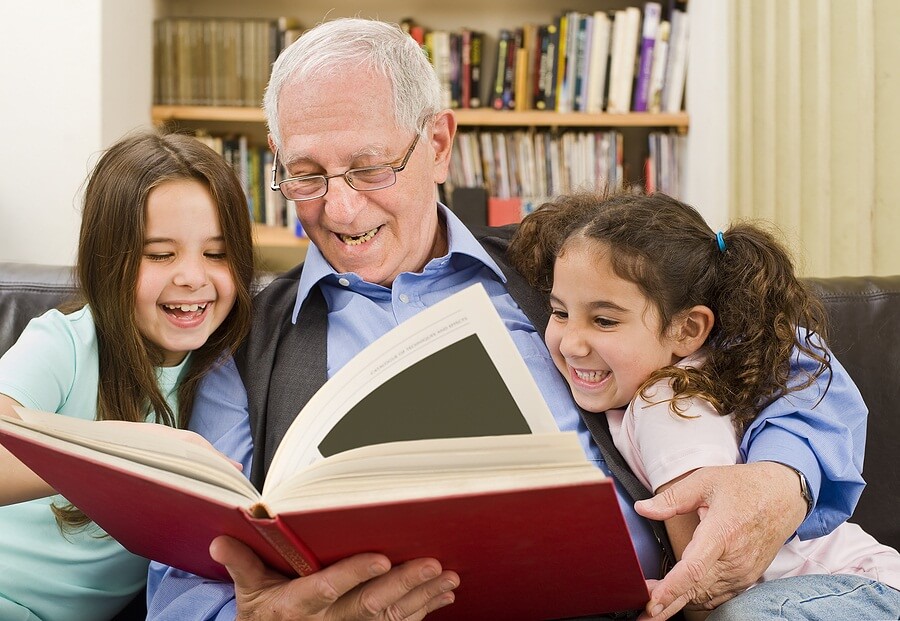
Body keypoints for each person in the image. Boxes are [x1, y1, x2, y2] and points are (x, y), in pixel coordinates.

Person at [146, 18, 869, 621]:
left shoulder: (567, 261)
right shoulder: (241, 346)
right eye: (306, 173)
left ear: (436, 143)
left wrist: (783, 478)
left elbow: (790, 356)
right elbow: (182, 583)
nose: (338, 209)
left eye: (370, 168)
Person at [509, 191, 900, 620]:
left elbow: (707, 578)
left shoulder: (666, 404)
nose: (571, 342)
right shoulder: (686, 370)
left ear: (688, 329)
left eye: (604, 320)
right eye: (559, 312)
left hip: (855, 587)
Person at [0, 131, 255, 621]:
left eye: (216, 253)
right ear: (107, 260)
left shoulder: (233, 373)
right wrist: (130, 451)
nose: (192, 277)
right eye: (160, 255)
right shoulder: (67, 343)